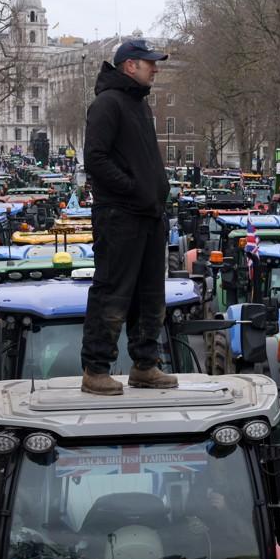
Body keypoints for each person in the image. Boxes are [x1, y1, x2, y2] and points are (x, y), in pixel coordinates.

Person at [81, 38, 177, 395]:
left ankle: (144, 365)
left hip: (149, 216)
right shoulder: (108, 104)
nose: (156, 67)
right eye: (150, 62)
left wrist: (154, 193)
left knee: (150, 294)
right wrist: (135, 189)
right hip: (120, 216)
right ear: (129, 65)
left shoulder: (139, 105)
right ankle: (96, 368)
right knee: (112, 292)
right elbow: (96, 160)